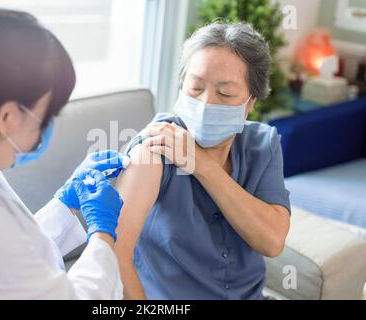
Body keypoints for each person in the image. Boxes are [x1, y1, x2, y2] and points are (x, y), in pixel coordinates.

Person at [0, 9, 127, 299]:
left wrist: (65, 205)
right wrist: (102, 233)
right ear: (7, 117)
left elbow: (10, 260)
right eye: (49, 113)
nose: (50, 125)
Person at [114, 22, 291, 300]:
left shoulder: (262, 144)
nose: (207, 103)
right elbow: (114, 254)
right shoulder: (156, 147)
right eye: (195, 88)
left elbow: (272, 241)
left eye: (225, 93)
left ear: (249, 103)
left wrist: (203, 165)